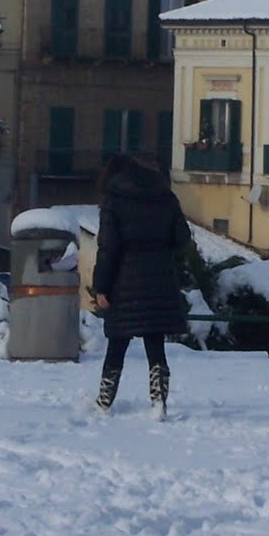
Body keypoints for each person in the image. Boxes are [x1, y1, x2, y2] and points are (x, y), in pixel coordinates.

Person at [92, 151, 194, 416]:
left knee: (117, 342)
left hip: (123, 281)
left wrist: (101, 286)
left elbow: (108, 247)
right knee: (155, 343)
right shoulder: (165, 196)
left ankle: (104, 401)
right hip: (159, 278)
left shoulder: (114, 200)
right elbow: (183, 237)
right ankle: (159, 400)